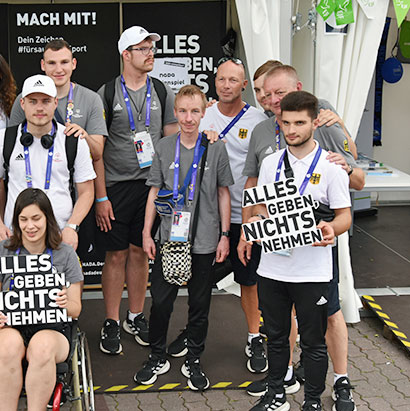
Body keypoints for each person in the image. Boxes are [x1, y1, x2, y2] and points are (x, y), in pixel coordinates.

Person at [241, 66, 363, 410]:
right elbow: (259, 204)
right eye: (286, 123)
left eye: (299, 123)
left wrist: (330, 229)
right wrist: (255, 224)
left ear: (314, 123)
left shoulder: (331, 165)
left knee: (313, 342)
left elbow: (345, 216)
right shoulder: (271, 164)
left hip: (313, 270)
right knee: (277, 338)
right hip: (274, 268)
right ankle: (277, 394)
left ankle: (312, 401)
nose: (292, 129)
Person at [166, 57, 270, 373]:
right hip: (206, 217)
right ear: (215, 81)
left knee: (248, 281)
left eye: (233, 80)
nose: (226, 85)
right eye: (221, 79)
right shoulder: (202, 114)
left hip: (246, 214)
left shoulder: (257, 120)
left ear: (244, 85)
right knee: (199, 281)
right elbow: (175, 145)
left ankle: (255, 337)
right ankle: (193, 331)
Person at [133, 85, 232, 391]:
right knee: (162, 302)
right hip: (169, 239)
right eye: (183, 111)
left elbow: (223, 192)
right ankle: (157, 354)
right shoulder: (163, 147)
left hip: (204, 239)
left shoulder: (215, 147)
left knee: (200, 303)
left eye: (195, 111)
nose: (189, 118)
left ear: (204, 113)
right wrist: (147, 232)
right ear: (175, 112)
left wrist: (225, 235)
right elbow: (153, 191)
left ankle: (195, 359)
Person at [95, 26, 179, 354]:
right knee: (115, 254)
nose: (149, 53)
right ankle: (112, 321)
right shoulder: (106, 93)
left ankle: (135, 315)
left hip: (151, 187)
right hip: (116, 187)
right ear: (125, 54)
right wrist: (101, 196)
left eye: (150, 47)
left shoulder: (161, 90)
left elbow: (173, 142)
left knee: (140, 251)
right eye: (142, 49)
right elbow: (97, 151)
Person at [0, 188, 83, 411]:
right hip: (5, 328)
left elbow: (76, 309)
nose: (30, 226)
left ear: (48, 218)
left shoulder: (65, 254)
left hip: (52, 329)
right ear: (16, 221)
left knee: (42, 346)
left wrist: (66, 303)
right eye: (23, 219)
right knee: (9, 345)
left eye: (36, 218)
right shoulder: (1, 251)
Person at [0, 74, 96, 250]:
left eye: (45, 101)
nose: (39, 107)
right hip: (16, 235)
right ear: (22, 104)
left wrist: (72, 226)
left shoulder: (72, 140)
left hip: (60, 236)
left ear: (55, 103)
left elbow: (87, 190)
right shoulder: (4, 139)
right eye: (33, 101)